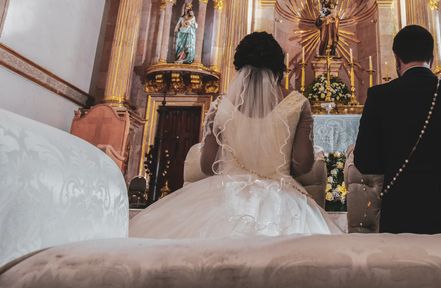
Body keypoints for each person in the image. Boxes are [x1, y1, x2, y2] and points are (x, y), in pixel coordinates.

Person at [130, 32, 340, 238]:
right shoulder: (297, 103)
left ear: (239, 67)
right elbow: (303, 165)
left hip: (225, 194)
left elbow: (207, 165)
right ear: (279, 67)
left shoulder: (220, 105)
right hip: (280, 195)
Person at [354, 25, 441, 234]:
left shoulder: (379, 96)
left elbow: (365, 162)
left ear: (397, 59)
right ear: (432, 57)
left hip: (404, 220)